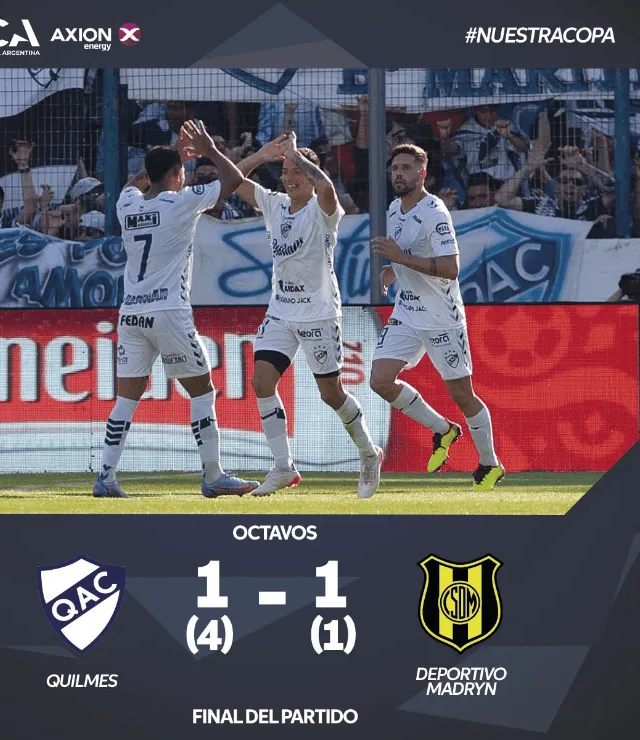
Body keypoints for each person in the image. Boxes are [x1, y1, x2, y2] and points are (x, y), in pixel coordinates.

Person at [93, 120, 259, 499]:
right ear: (176, 175)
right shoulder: (181, 202)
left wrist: (171, 157)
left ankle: (106, 476)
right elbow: (233, 180)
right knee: (202, 392)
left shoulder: (127, 204)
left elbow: (134, 183)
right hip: (168, 312)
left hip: (131, 313)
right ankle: (213, 476)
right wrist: (208, 149)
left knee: (126, 399)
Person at [232, 131, 383, 499]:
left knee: (331, 394)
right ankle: (283, 466)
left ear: (312, 175)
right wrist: (261, 156)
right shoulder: (275, 204)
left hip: (318, 315)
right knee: (261, 382)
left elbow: (328, 188)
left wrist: (299, 157)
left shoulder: (323, 209)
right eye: (285, 171)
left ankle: (368, 453)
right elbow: (232, 182)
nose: (289, 177)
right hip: (280, 311)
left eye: (296, 171)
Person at [371, 144, 504, 490]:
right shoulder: (394, 209)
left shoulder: (435, 213)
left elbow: (450, 267)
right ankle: (442, 429)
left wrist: (401, 258)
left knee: (462, 394)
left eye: (405, 168)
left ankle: (490, 463)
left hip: (441, 317)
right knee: (380, 380)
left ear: (422, 173)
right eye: (394, 168)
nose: (398, 174)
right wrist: (393, 269)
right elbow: (409, 253)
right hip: (407, 310)